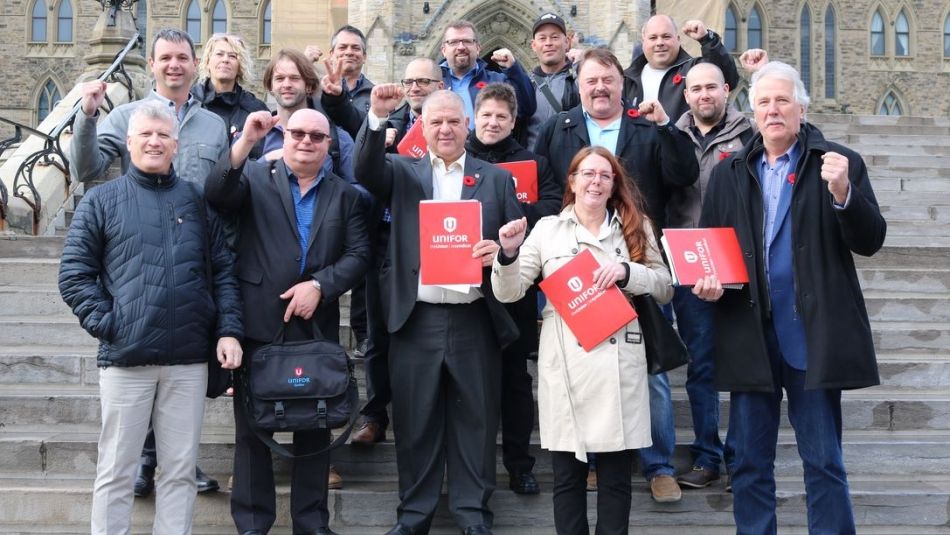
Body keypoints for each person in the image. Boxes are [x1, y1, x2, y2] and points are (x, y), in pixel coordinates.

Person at [695, 61, 886, 534]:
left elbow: (870, 240)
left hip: (811, 339)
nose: (773, 110)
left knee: (823, 462)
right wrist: (707, 281)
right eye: (763, 102)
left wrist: (844, 193)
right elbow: (710, 246)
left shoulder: (837, 164)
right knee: (749, 464)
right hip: (750, 336)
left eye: (782, 100)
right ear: (752, 112)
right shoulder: (730, 171)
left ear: (801, 107)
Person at [59, 101, 243, 534]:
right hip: (127, 359)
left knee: (179, 471)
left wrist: (229, 330)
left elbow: (224, 272)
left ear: (176, 145)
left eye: (163, 135)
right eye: (146, 135)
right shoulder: (102, 200)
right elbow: (74, 275)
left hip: (188, 361)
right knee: (117, 470)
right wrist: (113, 324)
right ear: (129, 142)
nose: (155, 142)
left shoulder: (197, 201)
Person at [69, 27, 230, 498]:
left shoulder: (213, 126)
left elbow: (221, 191)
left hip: (193, 255)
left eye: (183, 57)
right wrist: (88, 114)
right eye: (165, 58)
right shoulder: (124, 116)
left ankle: (178, 463)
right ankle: (143, 462)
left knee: (179, 384)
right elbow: (88, 167)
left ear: (194, 64)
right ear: (154, 65)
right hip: (139, 258)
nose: (174, 65)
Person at [355, 87, 523, 535]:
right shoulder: (401, 171)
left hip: (474, 319)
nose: (445, 129)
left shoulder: (496, 179)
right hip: (417, 320)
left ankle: (473, 516)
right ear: (422, 129)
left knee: (477, 423)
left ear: (467, 125)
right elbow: (364, 169)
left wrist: (503, 253)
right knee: (415, 423)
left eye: (453, 121)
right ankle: (413, 517)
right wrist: (375, 116)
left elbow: (514, 254)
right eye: (436, 122)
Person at [534, 46, 697, 503]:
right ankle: (591, 458)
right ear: (579, 86)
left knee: (652, 371)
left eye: (608, 79)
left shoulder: (647, 127)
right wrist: (557, 245)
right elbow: (547, 189)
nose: (600, 87)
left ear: (623, 84)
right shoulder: (557, 127)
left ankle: (658, 464)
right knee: (584, 367)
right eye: (591, 80)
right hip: (573, 265)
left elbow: (683, 174)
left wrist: (667, 126)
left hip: (633, 256)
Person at [206, 108, 371, 535]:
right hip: (258, 324)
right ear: (284, 135)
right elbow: (218, 193)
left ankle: (312, 523)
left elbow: (359, 255)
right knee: (252, 434)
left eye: (317, 136)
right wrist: (245, 142)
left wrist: (320, 284)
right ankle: (252, 524)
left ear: (329, 145)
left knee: (315, 429)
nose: (306, 141)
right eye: (297, 133)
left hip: (314, 327)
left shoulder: (346, 195)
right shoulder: (256, 177)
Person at [492, 145, 673, 535]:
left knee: (615, 481)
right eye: (587, 174)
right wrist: (506, 254)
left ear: (613, 185)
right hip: (566, 365)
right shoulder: (547, 230)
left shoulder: (633, 226)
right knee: (568, 479)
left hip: (619, 359)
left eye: (604, 175)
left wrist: (628, 272)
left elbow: (664, 287)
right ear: (572, 181)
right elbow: (509, 292)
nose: (596, 181)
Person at [465, 82, 561, 495]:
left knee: (516, 381)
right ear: (475, 117)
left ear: (513, 121)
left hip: (515, 283)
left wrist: (510, 210)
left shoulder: (534, 163)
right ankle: (475, 468)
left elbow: (555, 208)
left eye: (501, 117)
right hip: (466, 287)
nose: (492, 122)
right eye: (486, 115)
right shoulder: (458, 158)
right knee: (472, 382)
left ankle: (520, 463)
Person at [347, 58, 446, 448]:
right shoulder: (389, 120)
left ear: (441, 85)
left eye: (425, 80)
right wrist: (377, 120)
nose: (416, 87)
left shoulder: (451, 126)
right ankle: (375, 414)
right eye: (410, 81)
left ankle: (424, 414)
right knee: (378, 335)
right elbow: (366, 171)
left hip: (436, 244)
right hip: (386, 240)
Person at [670, 61, 754, 490]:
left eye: (712, 88)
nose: (704, 95)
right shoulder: (671, 133)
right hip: (688, 264)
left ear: (726, 89)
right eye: (696, 88)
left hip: (740, 261)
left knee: (741, 363)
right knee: (701, 365)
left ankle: (742, 455)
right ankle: (707, 456)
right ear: (686, 93)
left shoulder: (750, 133)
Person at [623, 15, 739, 123]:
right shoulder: (627, 79)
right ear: (643, 43)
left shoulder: (694, 70)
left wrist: (707, 40)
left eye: (666, 37)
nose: (660, 43)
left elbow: (728, 77)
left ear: (678, 40)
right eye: (653, 38)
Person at [440, 20, 536, 130]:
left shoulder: (498, 81)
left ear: (478, 48)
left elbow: (526, 109)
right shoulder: (431, 82)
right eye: (453, 42)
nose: (461, 47)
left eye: (467, 41)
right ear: (443, 50)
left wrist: (513, 69)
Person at [191, 33, 269, 160]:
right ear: (207, 62)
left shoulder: (255, 109)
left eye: (232, 56)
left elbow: (260, 159)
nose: (225, 60)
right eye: (219, 54)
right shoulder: (190, 102)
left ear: (240, 66)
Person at [525, 13, 580, 150]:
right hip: (533, 163)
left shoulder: (579, 78)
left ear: (567, 42)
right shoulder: (526, 85)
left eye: (554, 37)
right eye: (542, 38)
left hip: (570, 162)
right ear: (534, 45)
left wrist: (581, 66)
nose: (548, 43)